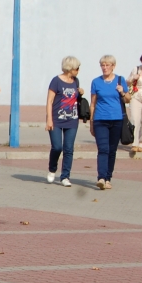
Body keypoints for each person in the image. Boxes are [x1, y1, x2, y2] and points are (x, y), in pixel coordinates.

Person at [89, 55, 130, 190]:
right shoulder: (96, 82)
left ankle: (108, 178)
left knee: (112, 150)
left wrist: (122, 92)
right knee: (103, 149)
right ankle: (101, 177)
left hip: (116, 120)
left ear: (113, 66)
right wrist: (91, 122)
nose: (105, 67)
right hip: (100, 119)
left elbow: (128, 99)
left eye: (107, 65)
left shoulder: (120, 80)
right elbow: (93, 104)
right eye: (103, 65)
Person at [45, 56, 84, 187]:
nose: (78, 70)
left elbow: (75, 97)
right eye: (77, 68)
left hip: (72, 120)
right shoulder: (56, 81)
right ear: (70, 68)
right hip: (56, 119)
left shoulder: (75, 81)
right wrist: (49, 120)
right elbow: (49, 101)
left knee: (69, 149)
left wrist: (80, 92)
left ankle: (65, 176)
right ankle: (52, 168)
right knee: (57, 147)